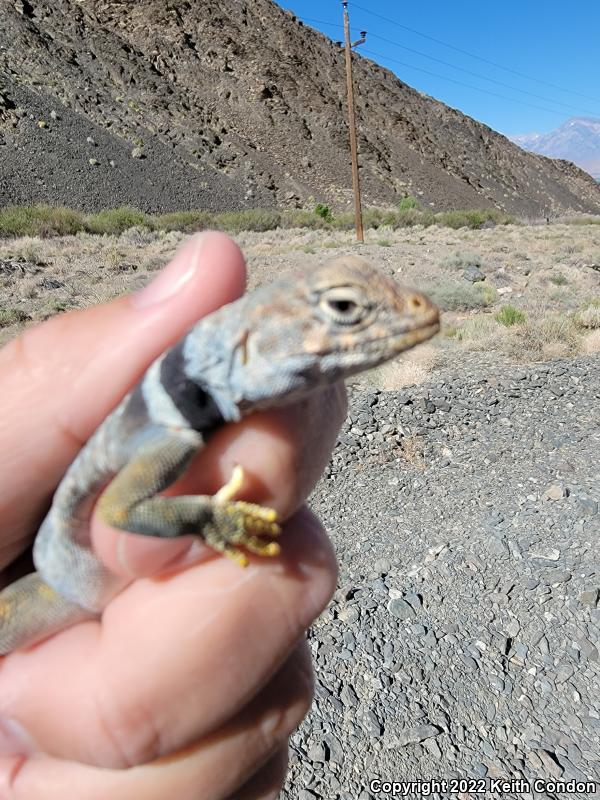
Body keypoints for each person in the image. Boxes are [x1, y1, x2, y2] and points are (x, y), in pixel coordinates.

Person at [0, 232, 341, 798]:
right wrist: (214, 520)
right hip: (55, 586)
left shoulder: (195, 416)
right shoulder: (177, 434)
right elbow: (120, 508)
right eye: (343, 312)